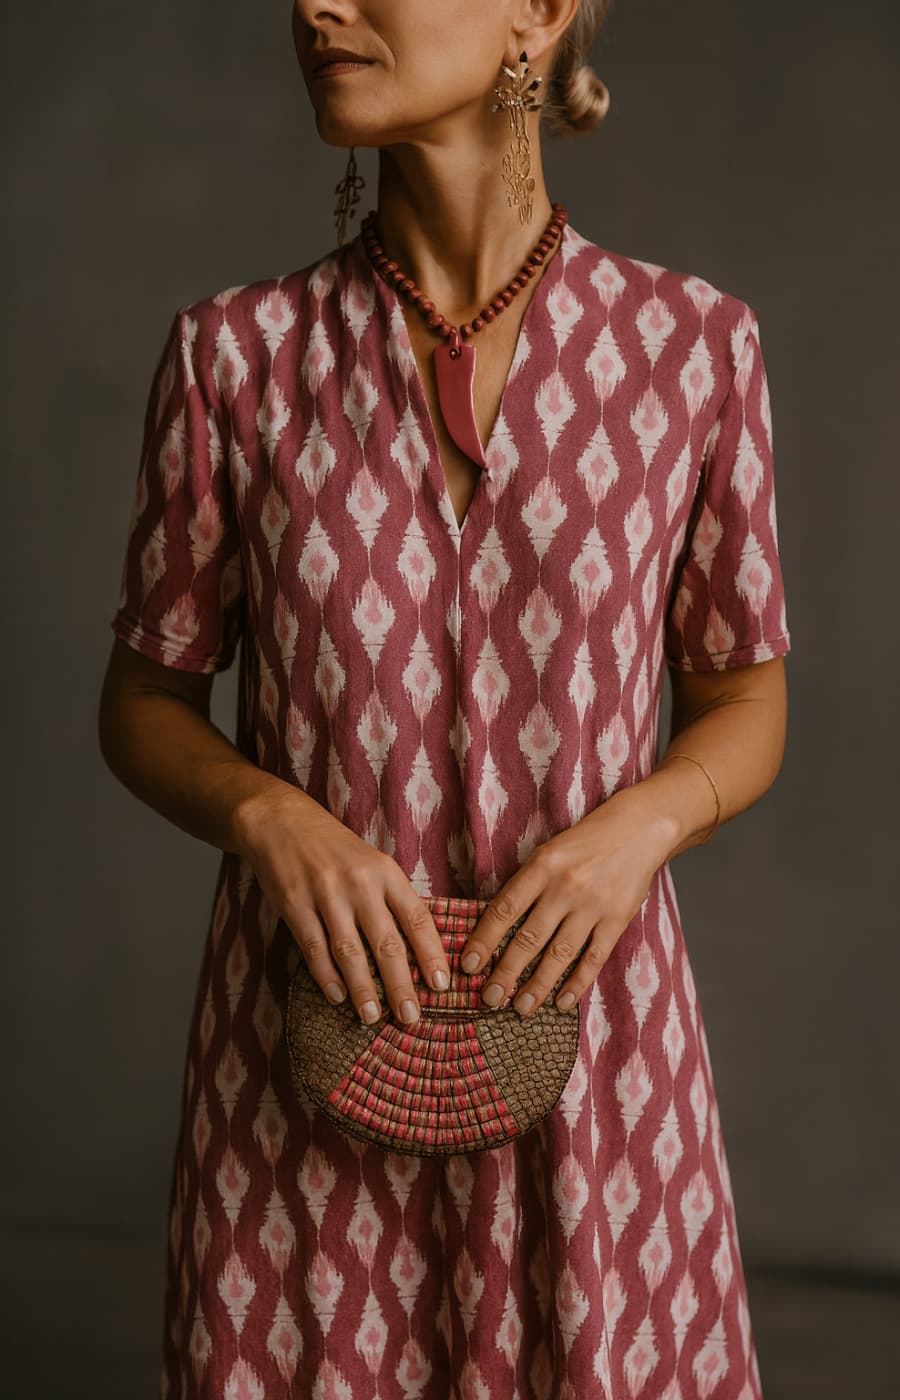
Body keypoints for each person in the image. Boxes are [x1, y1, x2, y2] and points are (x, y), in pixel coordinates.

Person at [98, 1, 792, 1395]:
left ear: (539, 10)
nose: (316, 6)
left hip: (598, 1064)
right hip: (299, 1073)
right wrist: (267, 815)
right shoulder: (235, 358)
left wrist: (641, 829)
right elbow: (143, 700)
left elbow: (745, 699)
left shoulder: (695, 348)